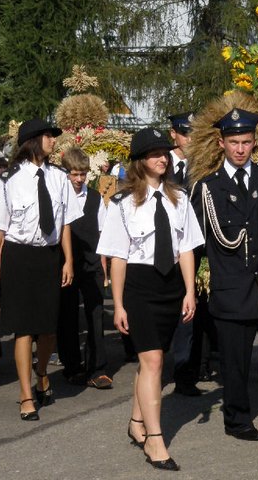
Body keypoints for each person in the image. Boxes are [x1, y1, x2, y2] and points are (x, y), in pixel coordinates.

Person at [97, 127, 203, 471]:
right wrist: (118, 304)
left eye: (164, 153)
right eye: (155, 154)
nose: (162, 158)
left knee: (151, 363)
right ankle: (155, 440)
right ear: (140, 161)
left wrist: (189, 291)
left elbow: (186, 248)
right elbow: (117, 257)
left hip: (171, 286)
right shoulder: (122, 204)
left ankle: (136, 421)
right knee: (154, 361)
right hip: (139, 288)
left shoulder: (179, 198)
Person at [191, 107, 258, 441]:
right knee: (235, 365)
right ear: (221, 143)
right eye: (233, 142)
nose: (240, 149)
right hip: (231, 290)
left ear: (254, 142)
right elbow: (196, 243)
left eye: (246, 142)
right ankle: (238, 421)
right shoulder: (208, 188)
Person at [0, 118, 82, 421]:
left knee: (48, 327)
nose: (53, 140)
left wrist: (68, 260)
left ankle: (41, 373)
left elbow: (65, 223)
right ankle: (26, 395)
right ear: (33, 141)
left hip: (49, 257)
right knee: (24, 329)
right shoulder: (9, 179)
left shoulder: (59, 177)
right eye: (48, 136)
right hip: (19, 257)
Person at [56, 147, 111, 389]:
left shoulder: (95, 198)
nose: (79, 179)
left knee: (96, 314)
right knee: (67, 315)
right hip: (66, 264)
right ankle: (72, 366)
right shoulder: (59, 197)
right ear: (66, 173)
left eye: (83, 174)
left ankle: (97, 368)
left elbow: (102, 231)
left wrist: (104, 266)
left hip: (91, 263)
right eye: (75, 174)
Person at [167, 112, 210, 396]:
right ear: (173, 133)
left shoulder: (201, 166)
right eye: (185, 133)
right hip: (163, 250)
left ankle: (186, 374)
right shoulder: (160, 162)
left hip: (193, 249)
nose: (190, 139)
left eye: (194, 133)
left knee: (190, 315)